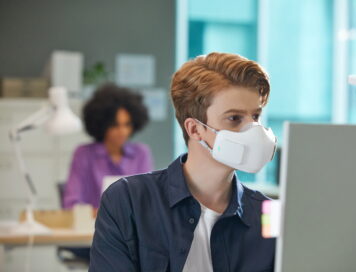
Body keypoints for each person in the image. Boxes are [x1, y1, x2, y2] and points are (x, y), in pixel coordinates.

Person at [89, 53, 277, 272]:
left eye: (256, 117)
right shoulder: (128, 200)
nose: (253, 130)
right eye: (235, 118)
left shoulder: (268, 214)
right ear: (195, 129)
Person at [63, 83, 154, 209]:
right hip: (93, 226)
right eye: (115, 125)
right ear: (103, 125)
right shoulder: (84, 154)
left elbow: (148, 200)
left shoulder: (141, 153)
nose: (123, 131)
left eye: (127, 124)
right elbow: (71, 203)